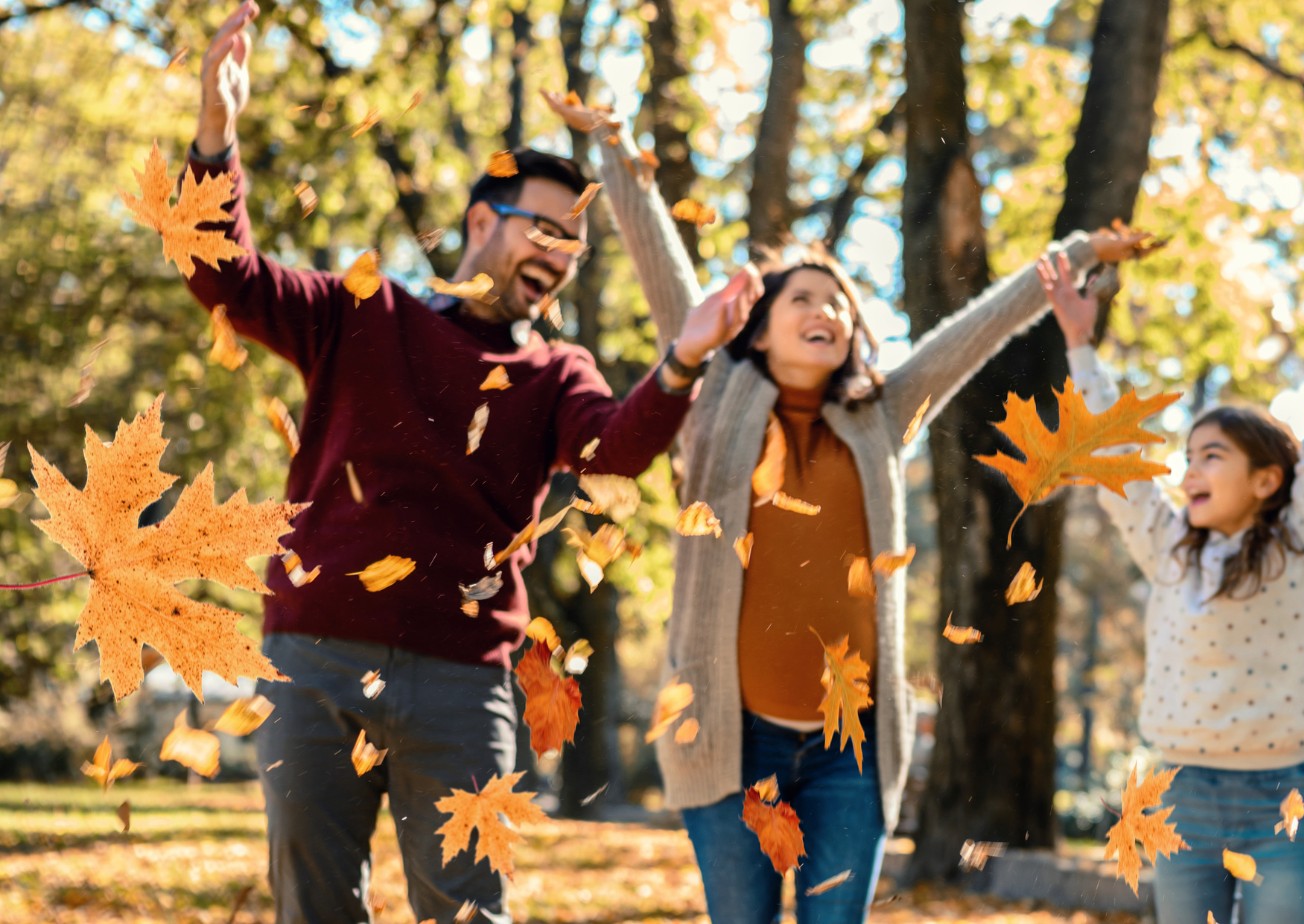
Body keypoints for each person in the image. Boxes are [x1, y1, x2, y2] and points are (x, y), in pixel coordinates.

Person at [180, 5, 761, 922]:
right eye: (545, 229)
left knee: (467, 912)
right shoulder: (362, 313)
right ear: (483, 221)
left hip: (464, 680)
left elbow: (616, 450)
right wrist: (216, 139)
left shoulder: (556, 371)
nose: (561, 255)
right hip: (316, 657)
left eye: (575, 241)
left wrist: (683, 359)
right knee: (315, 907)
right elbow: (227, 278)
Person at [545, 92, 1110, 922]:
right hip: (730, 742)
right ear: (758, 325)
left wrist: (1080, 250)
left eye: (841, 302)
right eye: (803, 298)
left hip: (852, 748)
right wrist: (617, 146)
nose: (828, 311)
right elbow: (662, 264)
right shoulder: (716, 398)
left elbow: (976, 329)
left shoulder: (882, 413)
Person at [1038, 221, 1304, 924]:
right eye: (1191, 453)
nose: (1190, 469)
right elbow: (1119, 459)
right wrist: (1079, 343)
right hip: (1182, 794)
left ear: (1266, 480)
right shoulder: (1170, 551)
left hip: (1279, 797)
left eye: (1212, 457)